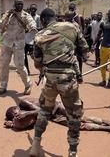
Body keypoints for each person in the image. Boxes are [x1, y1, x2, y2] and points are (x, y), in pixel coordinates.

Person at [29, 8, 89, 157]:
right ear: (55, 18)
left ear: (43, 20)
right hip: (68, 79)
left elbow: (38, 64)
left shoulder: (39, 36)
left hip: (50, 79)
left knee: (44, 111)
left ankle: (35, 145)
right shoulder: (72, 27)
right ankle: (72, 151)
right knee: (74, 114)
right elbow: (85, 51)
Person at [4, 97, 110, 136]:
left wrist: (27, 113)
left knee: (79, 118)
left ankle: (108, 123)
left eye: (16, 113)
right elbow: (35, 121)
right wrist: (13, 124)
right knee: (79, 125)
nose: (18, 115)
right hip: (53, 116)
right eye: (14, 116)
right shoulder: (22, 116)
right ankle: (108, 128)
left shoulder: (23, 102)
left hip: (57, 106)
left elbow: (41, 110)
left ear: (16, 108)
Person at [0, 0, 37, 95]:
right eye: (18, 4)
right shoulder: (8, 14)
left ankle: (28, 85)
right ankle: (3, 86)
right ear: (14, 5)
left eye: (21, 4)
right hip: (7, 42)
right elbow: (1, 25)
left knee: (19, 65)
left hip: (18, 44)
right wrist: (8, 16)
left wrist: (33, 28)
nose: (19, 6)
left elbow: (32, 23)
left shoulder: (25, 15)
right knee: (4, 64)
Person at [66, 3, 86, 84]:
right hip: (69, 40)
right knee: (69, 57)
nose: (71, 9)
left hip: (78, 39)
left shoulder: (79, 17)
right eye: (70, 8)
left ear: (75, 8)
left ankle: (80, 73)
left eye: (72, 8)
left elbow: (83, 28)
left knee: (79, 57)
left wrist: (81, 38)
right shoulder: (67, 16)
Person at [24, 4, 41, 76]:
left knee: (33, 56)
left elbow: (40, 27)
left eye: (34, 9)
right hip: (26, 39)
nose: (33, 10)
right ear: (30, 9)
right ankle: (27, 70)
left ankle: (41, 69)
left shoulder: (38, 18)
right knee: (24, 56)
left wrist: (34, 28)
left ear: (36, 10)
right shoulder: (27, 17)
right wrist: (26, 29)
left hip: (34, 39)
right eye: (32, 9)